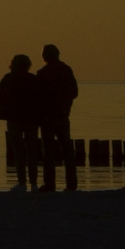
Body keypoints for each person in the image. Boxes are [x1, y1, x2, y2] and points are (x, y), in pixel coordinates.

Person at [0, 54, 42, 191]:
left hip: (14, 119)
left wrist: (3, 110)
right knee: (32, 153)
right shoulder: (33, 79)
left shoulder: (8, 79)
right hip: (31, 120)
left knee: (18, 153)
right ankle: (34, 184)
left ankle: (22, 183)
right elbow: (42, 99)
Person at [37, 43, 79, 192]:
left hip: (48, 117)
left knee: (48, 152)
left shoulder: (43, 73)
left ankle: (50, 184)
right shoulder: (66, 70)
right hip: (63, 115)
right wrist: (65, 104)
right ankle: (72, 184)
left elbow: (39, 96)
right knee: (67, 150)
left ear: (46, 56)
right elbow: (74, 92)